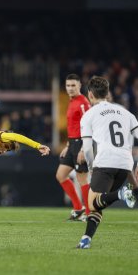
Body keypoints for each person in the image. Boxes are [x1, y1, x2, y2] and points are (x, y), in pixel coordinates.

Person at [77, 76, 138, 249]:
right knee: (98, 202)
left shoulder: (89, 115)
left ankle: (122, 194)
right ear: (107, 93)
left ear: (90, 94)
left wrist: (90, 167)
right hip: (126, 164)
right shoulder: (125, 112)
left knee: (92, 203)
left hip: (105, 162)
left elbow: (88, 148)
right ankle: (86, 239)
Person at [56, 74, 91, 221]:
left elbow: (89, 126)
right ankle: (78, 208)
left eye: (73, 85)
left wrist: (83, 149)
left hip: (81, 144)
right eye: (68, 85)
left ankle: (90, 214)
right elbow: (74, 126)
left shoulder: (83, 102)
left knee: (82, 179)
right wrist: (68, 145)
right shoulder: (72, 101)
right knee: (61, 175)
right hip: (72, 143)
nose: (70, 88)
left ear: (79, 86)